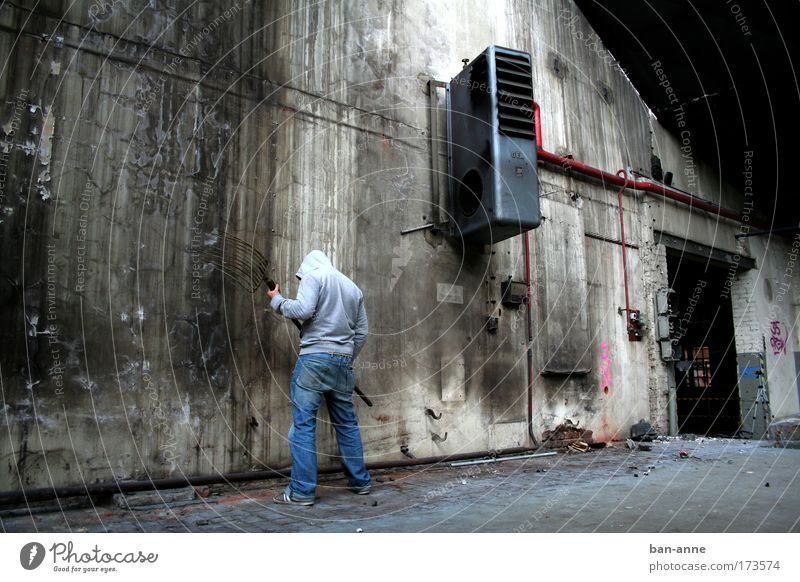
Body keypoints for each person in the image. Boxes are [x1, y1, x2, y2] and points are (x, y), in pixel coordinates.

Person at [267, 250, 371, 506]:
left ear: (307, 267)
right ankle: (361, 483)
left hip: (313, 361)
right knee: (347, 424)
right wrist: (344, 356)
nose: (302, 281)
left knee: (304, 426)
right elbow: (362, 332)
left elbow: (303, 309)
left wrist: (278, 300)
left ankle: (301, 492)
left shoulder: (314, 276)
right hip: (342, 364)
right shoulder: (353, 288)